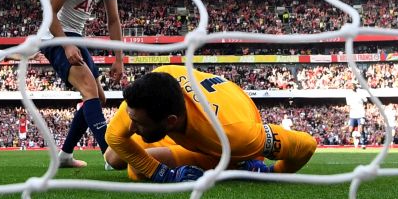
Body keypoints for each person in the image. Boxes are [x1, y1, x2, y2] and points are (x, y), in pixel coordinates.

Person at [103, 66, 318, 182]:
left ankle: (240, 165)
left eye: (138, 123)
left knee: (136, 170)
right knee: (113, 157)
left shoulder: (235, 134)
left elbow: (306, 145)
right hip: (204, 117)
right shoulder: (157, 86)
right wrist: (163, 174)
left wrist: (273, 174)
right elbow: (113, 136)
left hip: (229, 133)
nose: (132, 127)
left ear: (170, 122)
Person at [43, 0, 126, 168]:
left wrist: (118, 58)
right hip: (55, 37)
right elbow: (49, 14)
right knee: (90, 90)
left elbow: (113, 20)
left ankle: (65, 156)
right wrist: (67, 46)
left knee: (99, 99)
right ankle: (109, 156)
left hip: (76, 36)